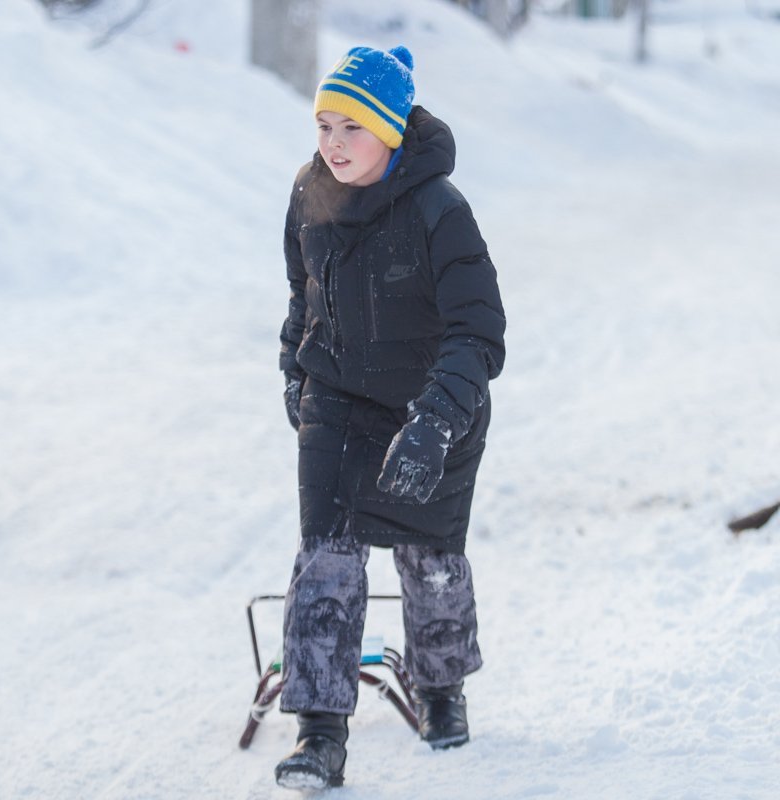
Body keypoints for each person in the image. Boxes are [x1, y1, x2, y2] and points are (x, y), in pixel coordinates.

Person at [273, 45, 506, 789]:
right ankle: (319, 732)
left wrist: (437, 423)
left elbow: (479, 332)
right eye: (325, 126)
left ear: (392, 133)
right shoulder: (309, 195)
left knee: (431, 560)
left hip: (430, 402)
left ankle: (442, 688)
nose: (333, 144)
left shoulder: (441, 210)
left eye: (353, 128)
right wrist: (293, 370)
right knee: (326, 557)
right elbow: (300, 297)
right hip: (337, 399)